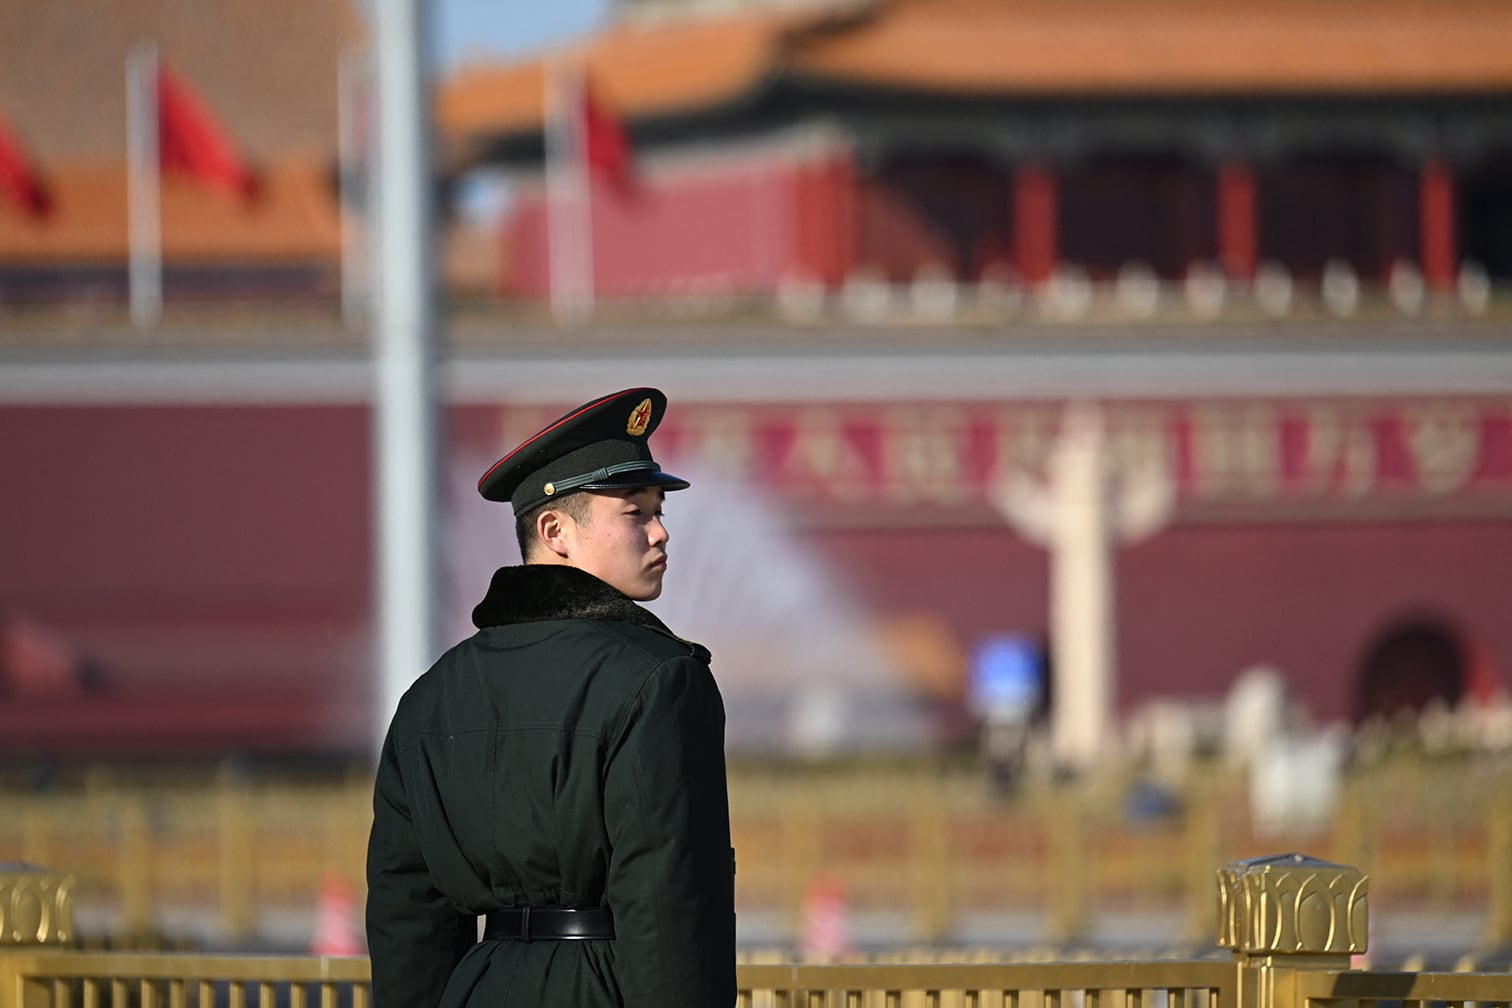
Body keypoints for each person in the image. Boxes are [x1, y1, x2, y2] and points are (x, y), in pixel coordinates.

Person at [365, 387, 737, 1008]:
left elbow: (409, 920)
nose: (662, 533)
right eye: (635, 512)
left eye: (658, 509)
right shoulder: (660, 681)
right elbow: (668, 900)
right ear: (554, 529)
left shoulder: (429, 697)